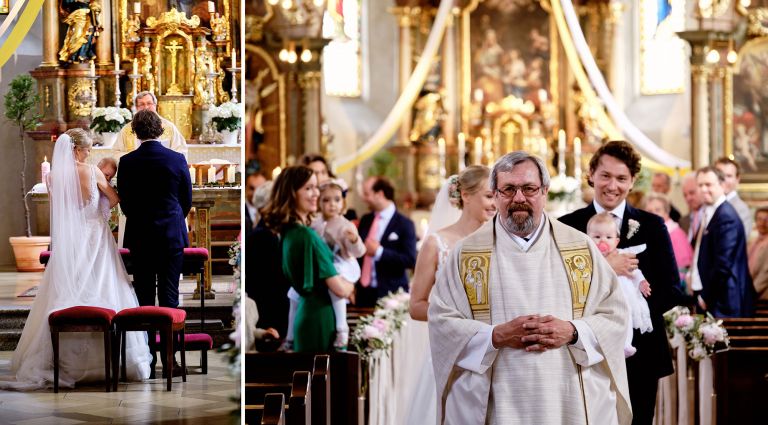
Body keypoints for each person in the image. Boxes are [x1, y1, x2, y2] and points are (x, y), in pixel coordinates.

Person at [429, 151, 631, 424]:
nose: (519, 198)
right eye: (509, 189)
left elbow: (615, 317)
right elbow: (441, 321)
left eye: (529, 188)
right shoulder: (467, 255)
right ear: (496, 194)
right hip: (496, 400)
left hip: (566, 394)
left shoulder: (580, 248)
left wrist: (572, 331)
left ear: (544, 191)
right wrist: (494, 336)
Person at [3, 129, 151, 390]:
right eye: (86, 150)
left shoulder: (53, 177)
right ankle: (112, 360)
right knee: (104, 287)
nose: (89, 154)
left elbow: (62, 209)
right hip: (95, 238)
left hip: (70, 242)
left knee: (70, 290)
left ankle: (64, 360)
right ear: (75, 150)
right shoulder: (91, 171)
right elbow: (114, 199)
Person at [559, 140, 680, 425]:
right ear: (591, 174)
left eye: (621, 178)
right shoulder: (567, 226)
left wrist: (632, 312)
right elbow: (559, 288)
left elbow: (672, 289)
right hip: (585, 347)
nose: (612, 185)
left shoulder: (651, 225)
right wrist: (605, 269)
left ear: (633, 181)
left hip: (640, 350)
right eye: (606, 176)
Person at [403, 165, 494, 425]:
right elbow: (416, 306)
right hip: (451, 351)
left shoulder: (500, 241)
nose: (495, 203)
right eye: (489, 195)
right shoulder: (437, 244)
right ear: (465, 195)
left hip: (493, 349)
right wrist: (455, 319)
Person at [117, 110, 192, 377]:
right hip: (171, 235)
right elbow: (186, 199)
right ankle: (169, 361)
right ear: (161, 130)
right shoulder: (176, 159)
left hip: (140, 235)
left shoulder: (127, 162)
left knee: (145, 298)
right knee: (170, 297)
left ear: (135, 132)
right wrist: (172, 220)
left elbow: (124, 202)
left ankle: (148, 360)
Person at [261, 166, 355, 352]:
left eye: (316, 188)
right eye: (308, 188)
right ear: (291, 193)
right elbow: (340, 289)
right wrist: (351, 284)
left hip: (307, 312)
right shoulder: (306, 235)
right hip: (318, 316)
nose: (315, 194)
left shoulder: (289, 232)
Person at [689, 166, 755, 317]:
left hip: (724, 302)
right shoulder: (710, 211)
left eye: (708, 184)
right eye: (700, 185)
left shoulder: (726, 217)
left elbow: (723, 265)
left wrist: (705, 297)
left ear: (721, 185)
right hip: (712, 298)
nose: (704, 189)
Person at [587, 212, 652, 358]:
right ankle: (600, 344)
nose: (602, 241)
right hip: (600, 297)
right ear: (588, 239)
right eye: (597, 237)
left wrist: (641, 282)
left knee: (625, 316)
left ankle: (626, 344)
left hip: (623, 295)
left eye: (608, 237)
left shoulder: (621, 254)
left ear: (616, 241)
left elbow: (634, 271)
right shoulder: (589, 257)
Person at [310, 180, 366, 349]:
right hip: (324, 265)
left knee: (336, 289)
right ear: (319, 202)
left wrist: (354, 240)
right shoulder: (315, 223)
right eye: (326, 200)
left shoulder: (345, 224)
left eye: (336, 200)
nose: (331, 204)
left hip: (343, 263)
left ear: (343, 203)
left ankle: (342, 328)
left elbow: (359, 252)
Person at [356, 176, 417, 307]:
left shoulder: (405, 224)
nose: (364, 199)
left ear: (380, 194)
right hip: (364, 294)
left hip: (391, 294)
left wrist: (379, 252)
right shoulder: (365, 220)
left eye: (367, 194)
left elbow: (410, 259)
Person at [113, 91, 188, 156]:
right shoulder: (127, 129)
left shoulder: (169, 127)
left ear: (155, 105)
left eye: (149, 103)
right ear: (136, 107)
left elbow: (180, 151)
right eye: (142, 104)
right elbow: (116, 152)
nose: (146, 107)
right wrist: (133, 158)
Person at [644, 192, 693, 280]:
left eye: (658, 210)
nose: (653, 214)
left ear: (666, 213)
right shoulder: (651, 233)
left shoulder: (675, 233)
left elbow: (683, 270)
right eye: (649, 211)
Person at [714, 157, 753, 237]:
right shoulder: (708, 204)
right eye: (719, 175)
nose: (723, 179)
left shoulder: (741, 209)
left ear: (737, 179)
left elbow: (737, 243)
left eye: (729, 176)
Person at [748, 207, 768, 301]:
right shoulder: (753, 242)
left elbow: (766, 274)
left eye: (766, 220)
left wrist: (751, 292)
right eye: (759, 219)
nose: (762, 223)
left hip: (761, 296)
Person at [680, 173, 703, 239]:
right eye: (685, 195)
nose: (688, 198)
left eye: (692, 193)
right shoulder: (683, 222)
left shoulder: (712, 217)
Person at [244, 171, 268, 235]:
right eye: (252, 188)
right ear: (245, 188)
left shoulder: (272, 212)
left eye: (260, 189)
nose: (256, 193)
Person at [96, 157, 117, 221]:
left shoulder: (108, 184)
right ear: (98, 169)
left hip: (101, 210)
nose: (108, 179)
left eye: (111, 177)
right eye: (106, 175)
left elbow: (114, 200)